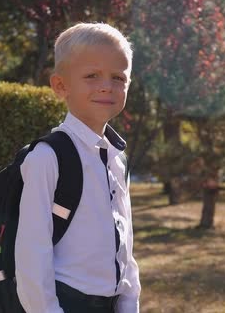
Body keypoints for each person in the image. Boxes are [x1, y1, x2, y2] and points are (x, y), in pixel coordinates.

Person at [14, 22, 141, 313]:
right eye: (91, 75)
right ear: (61, 85)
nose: (107, 85)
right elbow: (32, 256)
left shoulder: (116, 159)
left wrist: (129, 302)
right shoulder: (47, 157)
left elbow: (125, 245)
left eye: (118, 77)